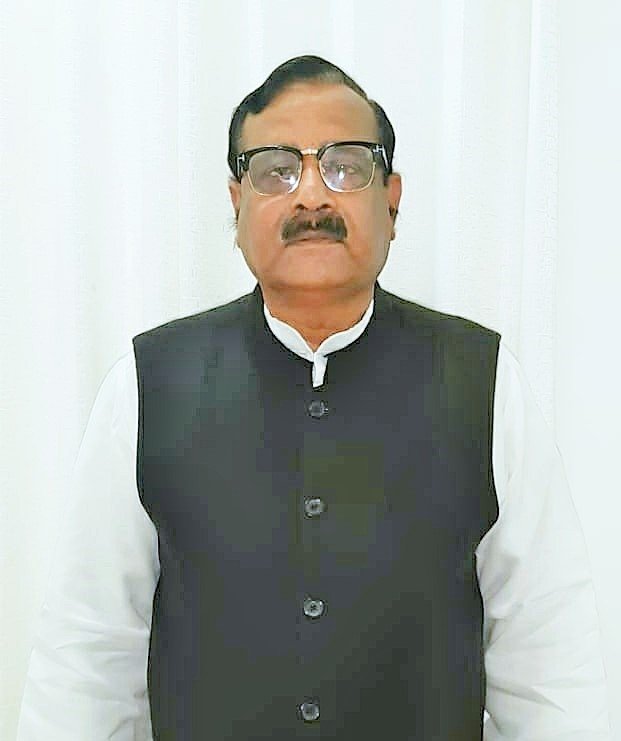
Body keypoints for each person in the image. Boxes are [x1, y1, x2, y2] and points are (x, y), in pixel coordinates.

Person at [17, 55, 610, 740]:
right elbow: (85, 661)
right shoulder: (149, 383)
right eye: (275, 170)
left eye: (345, 167)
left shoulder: (484, 381)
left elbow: (547, 662)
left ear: (391, 199)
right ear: (236, 202)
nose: (310, 197)